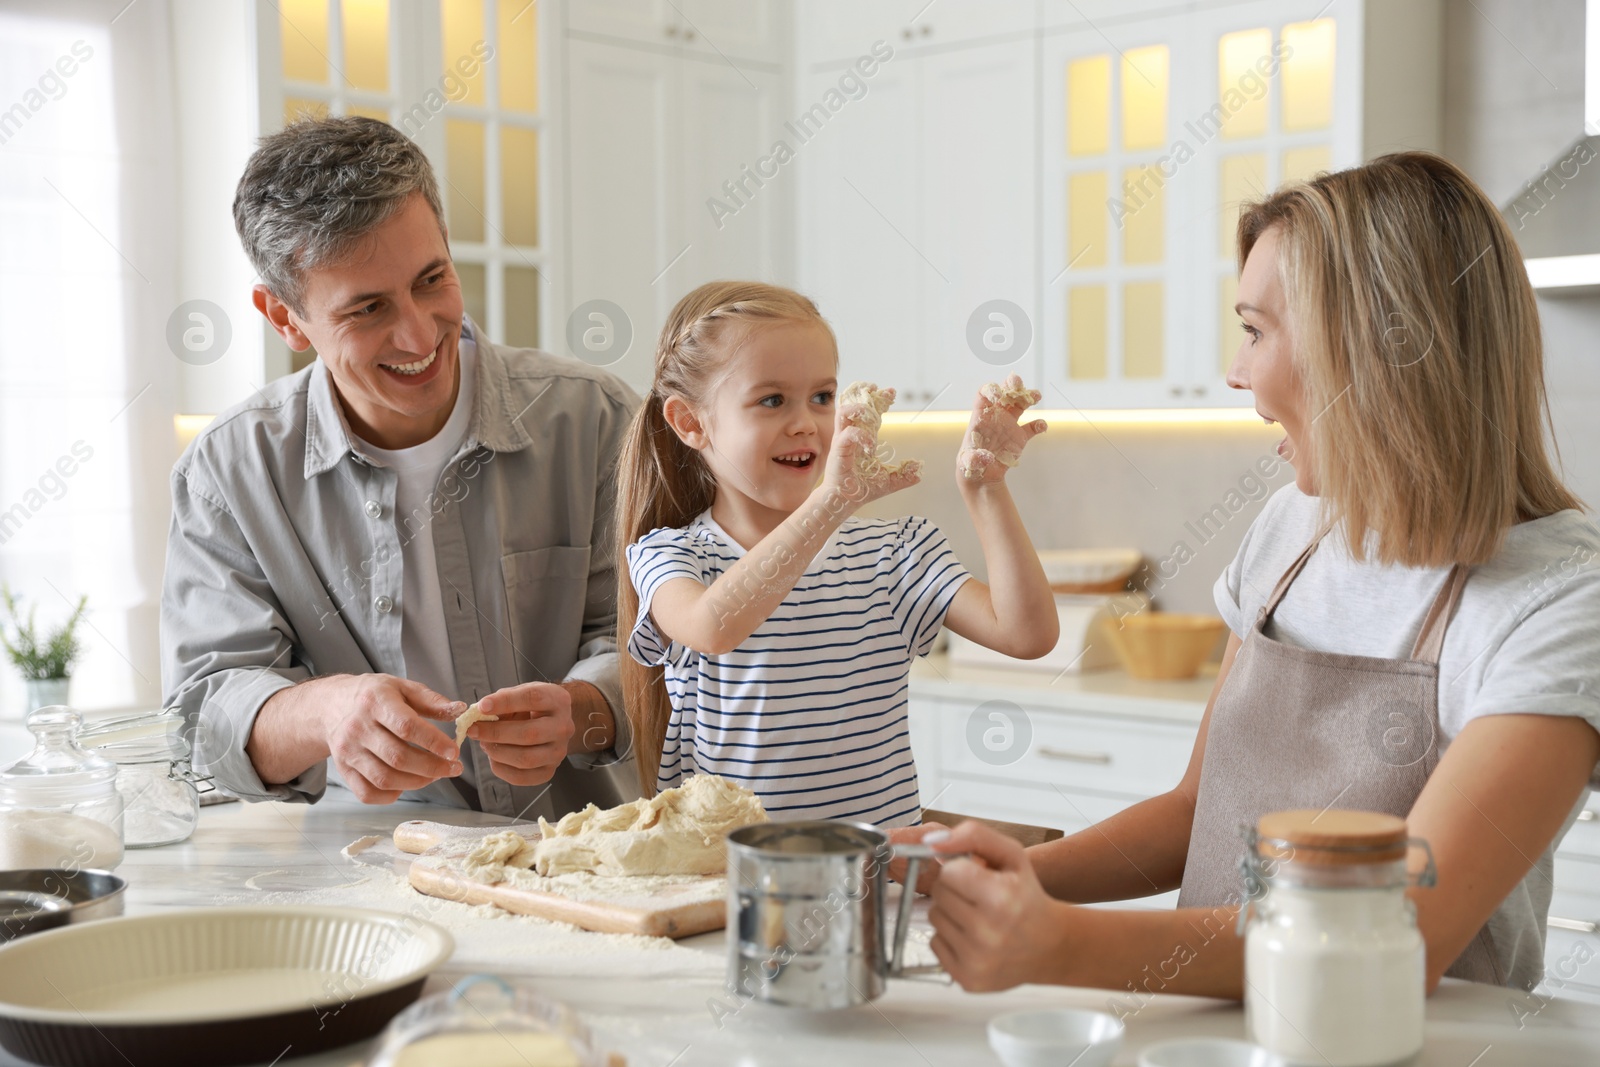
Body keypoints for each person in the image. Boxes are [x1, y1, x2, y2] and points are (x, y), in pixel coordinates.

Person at [901, 152, 1600, 995]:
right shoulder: (1293, 529)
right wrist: (1018, 873)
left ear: (1376, 349)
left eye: (1258, 330)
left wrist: (1061, 946)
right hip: (1212, 1036)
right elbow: (1196, 814)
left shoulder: (1558, 601)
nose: (1236, 370)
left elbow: (1401, 936)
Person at [160, 116, 638, 818]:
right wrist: (327, 711)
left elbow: (680, 647)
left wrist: (585, 709)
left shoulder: (597, 422)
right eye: (368, 308)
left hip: (590, 857)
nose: (418, 333)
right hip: (368, 874)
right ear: (285, 318)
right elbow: (201, 716)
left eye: (432, 278)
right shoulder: (229, 472)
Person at [614, 281, 1060, 826]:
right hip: (730, 880)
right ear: (691, 423)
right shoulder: (674, 555)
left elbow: (1027, 636)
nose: (806, 422)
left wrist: (987, 491)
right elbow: (714, 628)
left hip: (874, 877)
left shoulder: (893, 552)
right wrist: (828, 505)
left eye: (822, 397)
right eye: (772, 400)